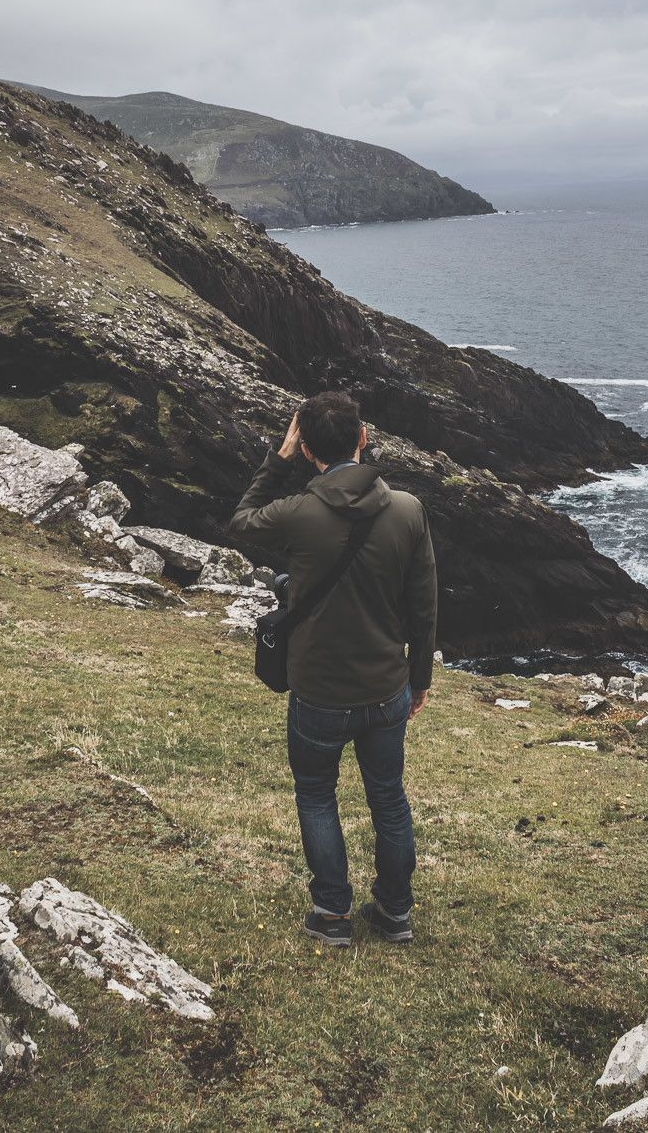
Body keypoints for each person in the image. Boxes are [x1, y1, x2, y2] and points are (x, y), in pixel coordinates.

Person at [229, 391, 437, 947]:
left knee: (317, 795)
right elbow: (424, 606)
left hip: (318, 691)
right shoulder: (409, 510)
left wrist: (278, 456)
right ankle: (395, 914)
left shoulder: (297, 514)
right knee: (388, 797)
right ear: (363, 438)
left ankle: (331, 915)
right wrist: (419, 679)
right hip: (385, 687)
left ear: (306, 448)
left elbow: (241, 522)